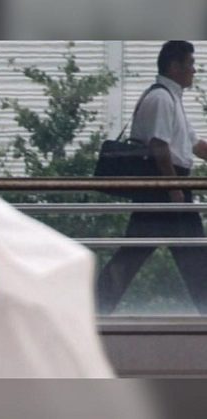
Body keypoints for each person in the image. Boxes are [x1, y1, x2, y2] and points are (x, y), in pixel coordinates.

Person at [97, 40, 207, 315]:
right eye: (190, 64)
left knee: (139, 253)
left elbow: (194, 145)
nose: (194, 70)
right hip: (166, 186)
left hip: (168, 187)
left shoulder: (171, 98)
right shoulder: (161, 99)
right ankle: (96, 307)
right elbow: (159, 146)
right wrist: (173, 188)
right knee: (192, 254)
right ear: (174, 66)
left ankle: (96, 307)